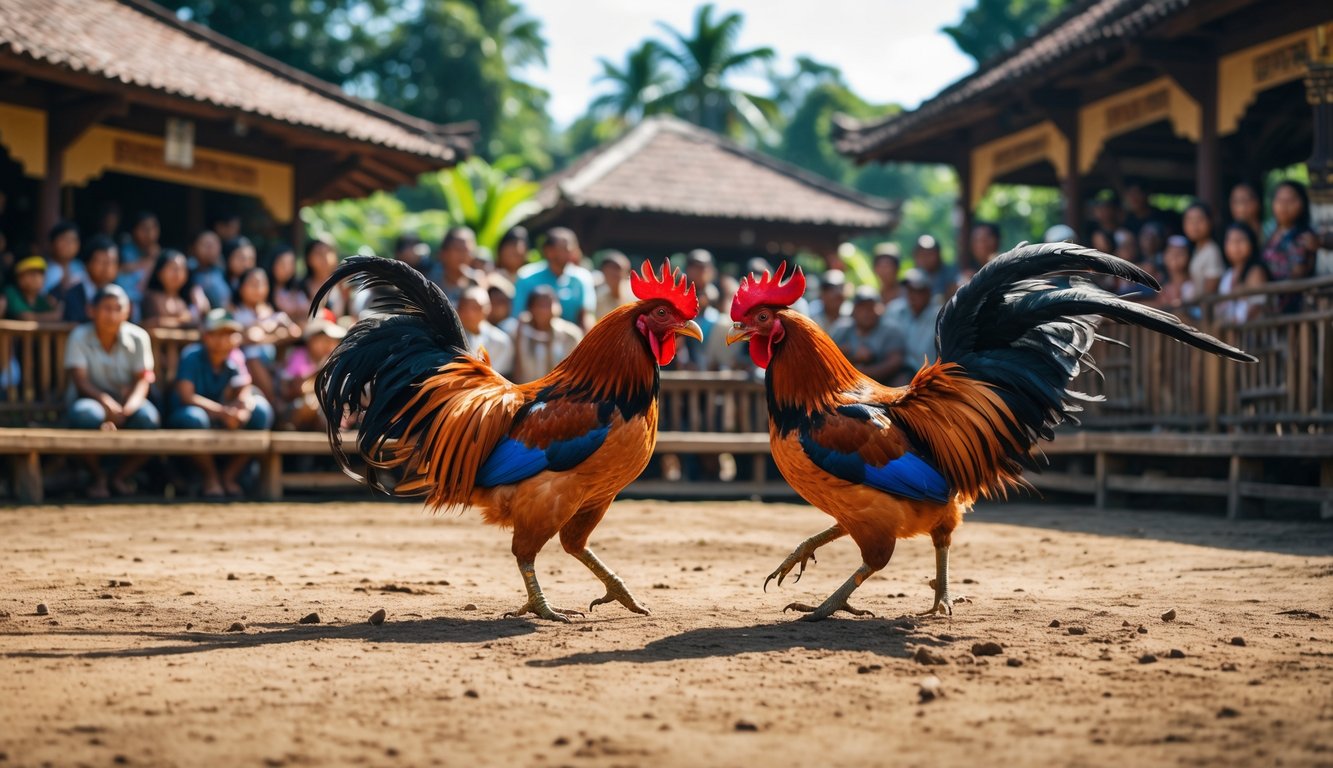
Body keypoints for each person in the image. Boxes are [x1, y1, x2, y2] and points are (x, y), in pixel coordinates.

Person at [64, 285, 160, 498]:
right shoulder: (79, 336)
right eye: (106, 308)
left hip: (127, 402)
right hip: (90, 399)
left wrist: (127, 409)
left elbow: (143, 381)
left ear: (128, 312)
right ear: (92, 310)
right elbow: (81, 382)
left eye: (118, 308)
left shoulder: (139, 336)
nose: (113, 314)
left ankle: (119, 477)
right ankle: (98, 476)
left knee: (148, 419)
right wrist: (107, 404)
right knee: (86, 416)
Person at [169, 308, 274, 497]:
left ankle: (228, 476)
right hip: (190, 417)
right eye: (218, 334)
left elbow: (245, 388)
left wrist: (243, 409)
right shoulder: (192, 355)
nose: (224, 340)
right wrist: (223, 412)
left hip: (220, 418)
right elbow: (186, 396)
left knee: (261, 411)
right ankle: (211, 477)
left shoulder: (234, 359)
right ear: (206, 336)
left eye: (229, 334)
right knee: (195, 419)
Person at [232, 267, 299, 406]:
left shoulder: (274, 313)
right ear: (241, 287)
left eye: (262, 284)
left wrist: (266, 335)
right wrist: (272, 330)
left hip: (274, 362)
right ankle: (275, 402)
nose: (258, 288)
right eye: (253, 284)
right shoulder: (235, 312)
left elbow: (295, 332)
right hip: (244, 366)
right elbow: (249, 337)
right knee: (252, 354)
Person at [512, 228, 596, 330]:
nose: (570, 252)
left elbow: (586, 316)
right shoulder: (526, 276)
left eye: (572, 248)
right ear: (548, 251)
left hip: (571, 341)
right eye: (565, 248)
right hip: (532, 339)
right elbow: (518, 316)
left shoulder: (582, 278)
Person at [279, 310, 346, 431]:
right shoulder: (298, 356)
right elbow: (289, 390)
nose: (330, 344)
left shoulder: (333, 361)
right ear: (312, 339)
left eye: (333, 340)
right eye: (325, 340)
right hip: (293, 408)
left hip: (320, 412)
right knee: (309, 403)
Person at [1262, 180, 1318, 313]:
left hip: (1294, 306)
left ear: (1303, 203)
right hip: (1270, 304)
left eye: (1290, 200)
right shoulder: (1270, 234)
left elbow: (1298, 274)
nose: (1284, 205)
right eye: (1279, 200)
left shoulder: (1305, 237)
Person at [830, 287, 904, 384]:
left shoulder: (890, 329)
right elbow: (829, 359)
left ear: (879, 309)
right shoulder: (842, 328)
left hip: (884, 386)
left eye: (871, 307)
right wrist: (853, 356)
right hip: (847, 384)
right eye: (862, 307)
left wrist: (862, 372)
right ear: (854, 310)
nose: (866, 312)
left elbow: (896, 362)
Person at [511, 285, 583, 383]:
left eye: (548, 304)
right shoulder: (519, 331)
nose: (544, 310)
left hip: (559, 393)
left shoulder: (570, 335)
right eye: (540, 305)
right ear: (530, 308)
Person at [886, 268, 941, 384]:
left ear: (928, 292)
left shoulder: (940, 316)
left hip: (927, 380)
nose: (912, 295)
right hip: (892, 372)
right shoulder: (894, 310)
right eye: (909, 290)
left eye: (918, 291)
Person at [54, 235, 118, 324]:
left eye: (112, 262)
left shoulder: (119, 293)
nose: (107, 268)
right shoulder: (71, 291)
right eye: (101, 262)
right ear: (87, 264)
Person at [456, 286, 514, 378]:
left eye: (476, 308)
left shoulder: (501, 341)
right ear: (457, 309)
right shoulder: (447, 338)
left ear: (488, 309)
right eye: (465, 307)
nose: (470, 313)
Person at [141, 250, 207, 328]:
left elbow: (203, 313)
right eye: (173, 269)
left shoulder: (185, 300)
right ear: (159, 272)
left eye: (182, 269)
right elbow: (149, 324)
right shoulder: (151, 297)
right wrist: (181, 321)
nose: (178, 274)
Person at [1217, 223, 1269, 323]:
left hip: (1250, 332)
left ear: (1251, 243)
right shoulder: (1228, 275)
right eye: (1231, 241)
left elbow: (1257, 306)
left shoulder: (1256, 271)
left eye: (1241, 240)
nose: (1236, 246)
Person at [1182, 201, 1224, 298]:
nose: (1194, 225)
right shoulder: (1197, 250)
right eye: (1190, 220)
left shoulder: (1212, 251)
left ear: (1210, 222)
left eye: (1200, 220)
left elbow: (1209, 293)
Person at [117, 210, 160, 304]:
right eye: (144, 228)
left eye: (153, 228)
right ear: (134, 230)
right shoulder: (125, 251)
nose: (149, 233)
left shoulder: (160, 254)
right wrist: (149, 261)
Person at [436, 226, 486, 307]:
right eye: (458, 249)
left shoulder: (476, 280)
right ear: (444, 253)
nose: (463, 255)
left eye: (467, 250)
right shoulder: (430, 280)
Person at [5, 256, 62, 321]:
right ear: (19, 278)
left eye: (41, 274)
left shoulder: (42, 299)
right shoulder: (11, 292)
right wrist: (53, 316)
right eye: (32, 274)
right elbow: (26, 317)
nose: (37, 279)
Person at [266, 244, 310, 325]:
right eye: (282, 264)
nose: (287, 268)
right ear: (273, 264)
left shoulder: (298, 287)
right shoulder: (264, 289)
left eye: (290, 264)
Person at [301, 238, 344, 317]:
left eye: (328, 252)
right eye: (319, 253)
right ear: (309, 258)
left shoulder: (342, 286)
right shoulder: (299, 288)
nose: (325, 257)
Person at [188, 229, 230, 310]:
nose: (210, 249)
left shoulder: (223, 271)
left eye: (214, 245)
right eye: (206, 245)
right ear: (194, 247)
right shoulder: (188, 271)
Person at [43, 220, 84, 295]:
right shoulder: (44, 269)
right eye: (64, 240)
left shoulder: (80, 268)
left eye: (72, 240)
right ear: (52, 243)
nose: (68, 245)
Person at [1154, 235, 1197, 308]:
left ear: (1188, 257)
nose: (1175, 256)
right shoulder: (1163, 286)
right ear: (1164, 256)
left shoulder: (1193, 285)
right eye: (1171, 252)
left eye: (1180, 253)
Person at [594, 250, 633, 319]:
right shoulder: (599, 297)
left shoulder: (635, 293)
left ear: (626, 272)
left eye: (616, 268)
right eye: (608, 268)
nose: (612, 273)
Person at [222, 236, 258, 301]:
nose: (247, 264)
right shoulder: (218, 281)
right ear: (228, 258)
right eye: (241, 259)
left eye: (251, 259)